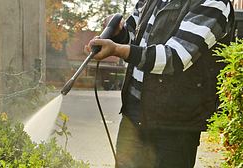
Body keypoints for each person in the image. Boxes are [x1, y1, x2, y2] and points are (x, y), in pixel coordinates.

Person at [87, 0, 235, 167]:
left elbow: (175, 57)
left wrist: (117, 49)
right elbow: (135, 41)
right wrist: (119, 33)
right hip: (133, 114)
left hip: (175, 125)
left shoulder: (213, 3)